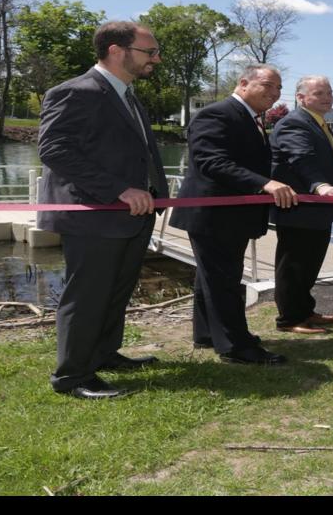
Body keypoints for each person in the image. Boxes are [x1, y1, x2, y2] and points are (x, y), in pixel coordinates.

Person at [36, 21, 168, 399]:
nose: (156, 59)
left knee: (116, 292)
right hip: (92, 215)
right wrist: (119, 190)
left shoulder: (127, 95)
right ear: (115, 50)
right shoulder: (75, 91)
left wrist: (153, 192)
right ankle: (72, 376)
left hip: (132, 215)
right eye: (150, 51)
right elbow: (54, 149)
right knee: (88, 296)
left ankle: (104, 354)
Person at [169, 64, 297, 364]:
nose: (275, 93)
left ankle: (207, 334)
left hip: (228, 215)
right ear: (244, 83)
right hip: (213, 214)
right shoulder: (216, 114)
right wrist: (264, 183)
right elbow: (211, 161)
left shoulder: (250, 118)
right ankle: (236, 347)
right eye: (268, 85)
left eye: (279, 88)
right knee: (224, 281)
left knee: (211, 278)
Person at [268, 74, 333, 334]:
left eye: (329, 92)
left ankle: (304, 311)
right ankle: (289, 319)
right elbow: (301, 158)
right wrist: (321, 186)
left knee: (309, 265)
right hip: (299, 208)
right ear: (301, 98)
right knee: (294, 266)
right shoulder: (294, 123)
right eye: (319, 93)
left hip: (318, 211)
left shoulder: (318, 123)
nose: (327, 98)